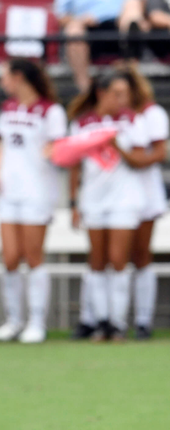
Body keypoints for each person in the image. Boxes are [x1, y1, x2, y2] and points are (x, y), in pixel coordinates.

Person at [0, 59, 67, 344]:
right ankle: (14, 321)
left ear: (19, 77)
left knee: (33, 257)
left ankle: (36, 322)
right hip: (10, 192)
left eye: (5, 76)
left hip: (37, 192)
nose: (2, 82)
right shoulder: (8, 108)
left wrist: (54, 152)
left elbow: (58, 150)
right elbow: (3, 148)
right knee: (9, 258)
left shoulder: (51, 110)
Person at [67, 70, 149, 341]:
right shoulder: (82, 123)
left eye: (124, 93)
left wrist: (116, 146)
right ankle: (101, 322)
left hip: (125, 200)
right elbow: (75, 167)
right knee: (98, 261)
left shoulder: (132, 120)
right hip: (93, 199)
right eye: (116, 93)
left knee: (118, 261)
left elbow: (139, 160)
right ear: (102, 93)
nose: (121, 98)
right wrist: (74, 203)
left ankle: (118, 323)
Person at [116, 64, 167, 339]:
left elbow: (160, 152)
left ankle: (144, 320)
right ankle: (116, 320)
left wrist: (133, 160)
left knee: (141, 255)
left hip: (145, 191)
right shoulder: (115, 116)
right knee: (118, 257)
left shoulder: (151, 114)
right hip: (118, 193)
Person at [54, 0, 130, 91]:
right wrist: (80, 19)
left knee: (131, 20)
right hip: (87, 29)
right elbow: (61, 16)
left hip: (120, 26)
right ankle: (85, 91)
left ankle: (133, 85)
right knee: (74, 31)